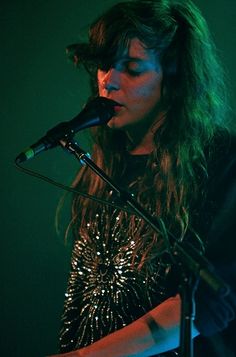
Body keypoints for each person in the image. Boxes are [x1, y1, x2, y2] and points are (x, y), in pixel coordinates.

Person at [50, 0, 236, 356]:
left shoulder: (221, 163)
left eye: (132, 69)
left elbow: (215, 300)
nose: (109, 82)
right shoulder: (101, 166)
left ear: (176, 77)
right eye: (104, 66)